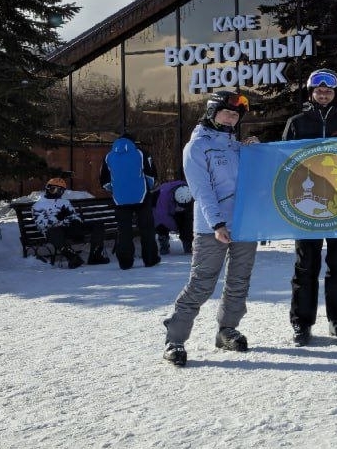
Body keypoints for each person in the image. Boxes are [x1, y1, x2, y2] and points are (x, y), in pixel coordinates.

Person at [161, 91, 259, 367]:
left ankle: (227, 330)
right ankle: (175, 339)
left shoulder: (235, 146)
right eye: (226, 113)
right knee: (201, 284)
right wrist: (217, 224)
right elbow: (201, 191)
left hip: (244, 224)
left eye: (235, 116)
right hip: (212, 227)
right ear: (212, 112)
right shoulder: (197, 147)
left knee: (239, 282)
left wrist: (255, 150)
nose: (230, 119)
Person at [282, 67, 337, 345]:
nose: (323, 93)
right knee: (306, 265)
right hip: (305, 207)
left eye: (328, 90)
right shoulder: (297, 122)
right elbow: (282, 161)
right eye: (318, 90)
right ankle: (302, 323)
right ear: (311, 92)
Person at [100, 133, 159, 269]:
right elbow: (150, 175)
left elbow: (104, 180)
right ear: (133, 142)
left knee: (124, 230)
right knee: (147, 229)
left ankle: (125, 262)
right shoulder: (141, 153)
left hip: (120, 199)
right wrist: (149, 187)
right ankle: (151, 259)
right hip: (142, 197)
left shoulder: (108, 156)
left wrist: (115, 190)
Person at [31, 177, 110, 268]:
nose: (56, 192)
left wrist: (75, 221)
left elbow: (74, 216)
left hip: (70, 228)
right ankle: (73, 257)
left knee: (98, 224)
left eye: (60, 190)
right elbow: (42, 225)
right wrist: (60, 220)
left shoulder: (65, 202)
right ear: (47, 189)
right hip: (54, 232)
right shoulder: (38, 206)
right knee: (54, 232)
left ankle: (96, 256)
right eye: (53, 189)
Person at [153, 179, 194, 255]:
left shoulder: (190, 189)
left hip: (176, 210)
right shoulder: (164, 195)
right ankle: (163, 241)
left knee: (188, 220)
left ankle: (188, 243)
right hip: (160, 210)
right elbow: (163, 216)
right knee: (160, 223)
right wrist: (175, 227)